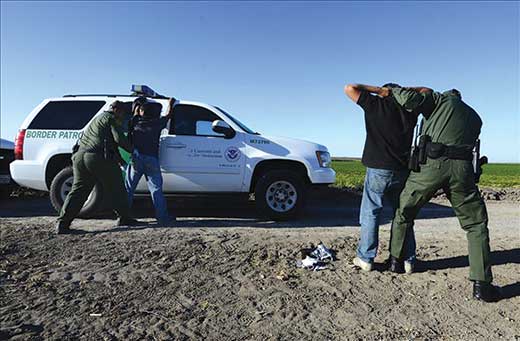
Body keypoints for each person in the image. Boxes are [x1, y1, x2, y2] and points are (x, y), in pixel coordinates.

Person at [387, 86, 501, 302]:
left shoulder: (439, 101)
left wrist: (393, 90)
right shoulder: (475, 117)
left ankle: (395, 261)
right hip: (463, 171)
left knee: (404, 211)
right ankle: (482, 285)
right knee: (476, 225)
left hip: (431, 166)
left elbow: (409, 99)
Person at [344, 83, 419, 273]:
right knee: (402, 215)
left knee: (371, 212)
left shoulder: (375, 104)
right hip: (402, 169)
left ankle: (366, 258)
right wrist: (401, 92)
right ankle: (407, 260)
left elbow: (349, 88)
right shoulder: (410, 109)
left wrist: (379, 91)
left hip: (378, 168)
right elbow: (427, 90)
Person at [56, 101, 139, 234]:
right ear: (117, 110)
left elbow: (109, 143)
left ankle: (63, 223)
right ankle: (124, 217)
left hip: (80, 156)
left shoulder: (98, 118)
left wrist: (119, 159)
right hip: (96, 157)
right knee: (117, 187)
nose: (123, 116)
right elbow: (118, 139)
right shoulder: (111, 118)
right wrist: (133, 149)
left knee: (78, 191)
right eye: (123, 113)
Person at [125, 97, 176, 225]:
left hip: (136, 159)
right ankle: (162, 217)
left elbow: (135, 114)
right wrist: (170, 103)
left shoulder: (135, 122)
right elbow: (168, 115)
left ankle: (123, 216)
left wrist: (138, 105)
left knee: (129, 188)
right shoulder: (157, 123)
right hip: (151, 159)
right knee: (156, 189)